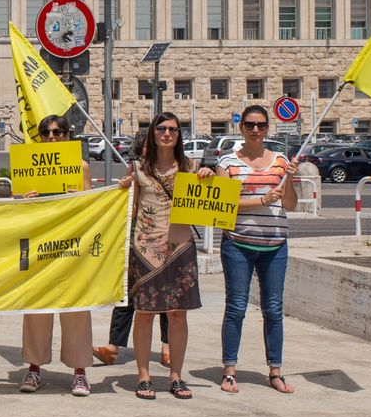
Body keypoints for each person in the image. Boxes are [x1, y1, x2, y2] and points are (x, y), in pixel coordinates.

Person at [118, 112, 213, 401]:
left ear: (179, 135)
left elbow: (208, 202)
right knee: (144, 314)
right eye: (161, 128)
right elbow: (129, 211)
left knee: (178, 315)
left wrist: (207, 179)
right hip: (145, 249)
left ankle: (176, 376)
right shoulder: (137, 168)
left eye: (172, 129)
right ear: (153, 133)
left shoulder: (191, 167)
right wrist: (120, 192)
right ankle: (144, 377)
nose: (167, 134)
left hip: (180, 247)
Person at [215, 105, 300, 395]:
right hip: (238, 243)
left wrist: (290, 180)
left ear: (267, 128)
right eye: (250, 125)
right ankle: (229, 371)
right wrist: (262, 201)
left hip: (275, 245)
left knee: (274, 310)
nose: (255, 130)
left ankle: (275, 371)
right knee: (236, 307)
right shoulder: (227, 163)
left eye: (261, 125)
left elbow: (289, 205)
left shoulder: (280, 161)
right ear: (241, 127)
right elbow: (223, 205)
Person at [17, 115, 94, 396]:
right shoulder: (27, 167)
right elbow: (18, 212)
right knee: (37, 307)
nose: (52, 137)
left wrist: (81, 198)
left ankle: (80, 371)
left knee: (75, 308)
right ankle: (34, 368)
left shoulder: (81, 167)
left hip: (71, 247)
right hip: (39, 245)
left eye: (58, 132)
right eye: (46, 133)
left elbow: (94, 209)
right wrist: (24, 200)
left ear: (67, 134)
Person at [94, 132, 171, 369]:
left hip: (168, 240)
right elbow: (127, 205)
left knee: (167, 296)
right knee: (127, 293)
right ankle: (114, 347)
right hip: (137, 241)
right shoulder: (135, 170)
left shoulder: (177, 169)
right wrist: (123, 189)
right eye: (147, 147)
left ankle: (167, 346)